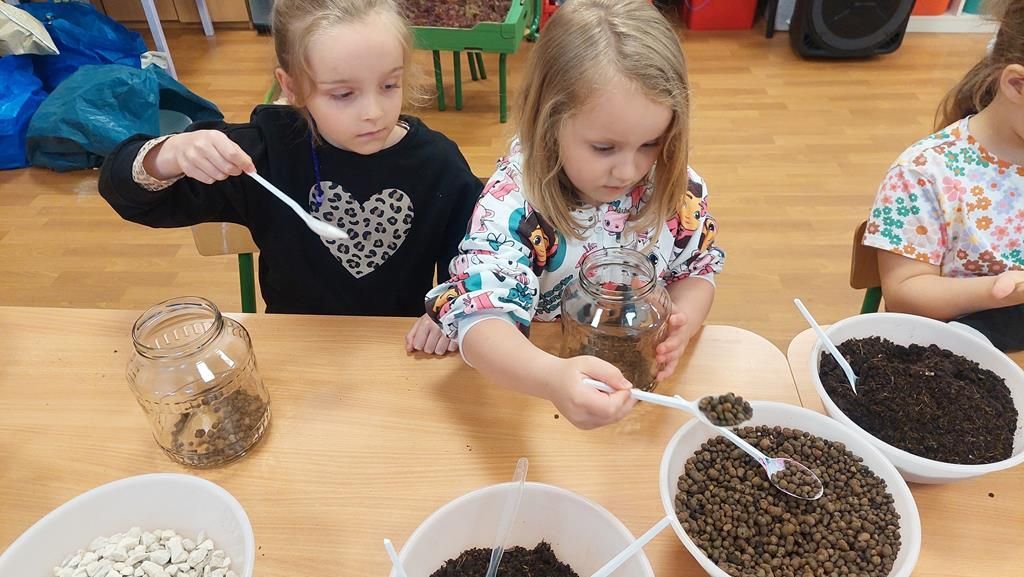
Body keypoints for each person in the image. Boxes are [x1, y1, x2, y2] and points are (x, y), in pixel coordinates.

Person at [99, 0, 480, 355]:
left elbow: (478, 261)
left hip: (397, 351)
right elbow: (127, 193)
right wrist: (170, 154)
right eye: (343, 94)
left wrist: (451, 308)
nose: (374, 112)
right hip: (292, 349)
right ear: (292, 86)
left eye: (389, 85)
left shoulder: (437, 164)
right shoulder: (266, 152)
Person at [424, 0, 725, 429]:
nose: (629, 170)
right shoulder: (514, 204)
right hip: (531, 390)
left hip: (641, 399)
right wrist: (552, 377)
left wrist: (684, 321)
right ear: (549, 123)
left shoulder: (676, 191)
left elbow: (697, 270)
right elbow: (481, 322)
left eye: (651, 143)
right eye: (604, 148)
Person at [863, 0, 1024, 350]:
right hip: (946, 351)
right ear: (1016, 85)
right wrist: (1001, 291)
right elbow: (906, 293)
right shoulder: (923, 172)